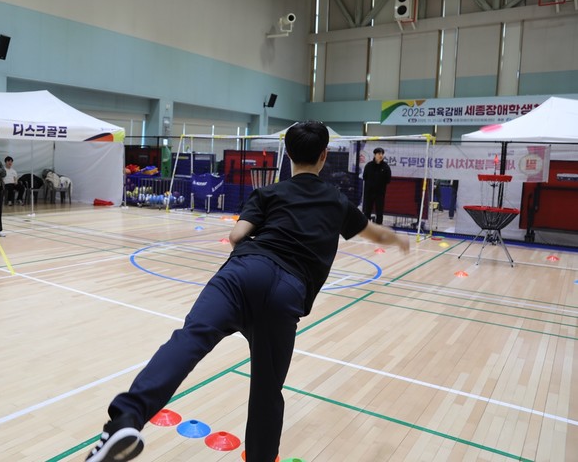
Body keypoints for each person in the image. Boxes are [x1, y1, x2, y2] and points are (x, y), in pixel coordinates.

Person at [85, 122, 410, 462]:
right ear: (324, 156)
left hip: (242, 274)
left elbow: (237, 235)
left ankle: (127, 418)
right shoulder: (336, 201)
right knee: (267, 390)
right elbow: (374, 233)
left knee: (190, 338)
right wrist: (398, 239)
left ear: (288, 154)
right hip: (287, 291)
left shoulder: (269, 193)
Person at [362, 147, 392, 225]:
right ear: (375, 155)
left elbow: (388, 179)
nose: (381, 155)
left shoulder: (386, 167)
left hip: (380, 193)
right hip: (369, 192)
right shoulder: (369, 166)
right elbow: (364, 177)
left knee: (379, 212)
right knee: (367, 211)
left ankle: (379, 227)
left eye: (382, 154)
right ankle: (366, 227)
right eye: (379, 154)